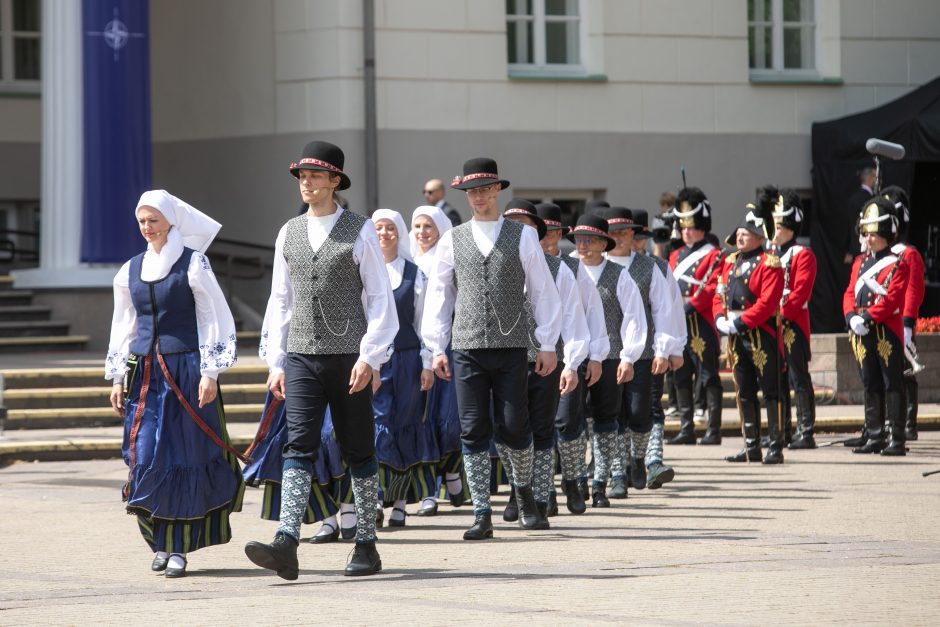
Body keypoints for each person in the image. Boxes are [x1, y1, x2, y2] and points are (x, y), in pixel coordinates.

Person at [244, 140, 398, 579]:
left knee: (357, 448)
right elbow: (280, 299)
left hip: (350, 356)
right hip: (302, 357)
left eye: (314, 176)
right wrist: (277, 361)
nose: (306, 183)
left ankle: (366, 542)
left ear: (335, 181)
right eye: (301, 177)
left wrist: (370, 357)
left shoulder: (359, 228)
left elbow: (379, 297)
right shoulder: (287, 232)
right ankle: (286, 541)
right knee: (298, 445)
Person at [422, 157, 562, 540]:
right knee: (472, 429)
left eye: (485, 189)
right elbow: (440, 294)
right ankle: (481, 510)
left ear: (498, 190)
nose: (479, 197)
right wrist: (435, 346)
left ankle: (524, 493)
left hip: (511, 344)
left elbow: (542, 292)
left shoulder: (522, 235)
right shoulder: (452, 237)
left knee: (515, 425)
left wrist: (547, 343)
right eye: (472, 191)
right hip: (467, 345)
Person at [107, 190, 242, 579]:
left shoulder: (193, 264)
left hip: (185, 372)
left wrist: (210, 372)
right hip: (144, 376)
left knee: (185, 456)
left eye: (153, 220)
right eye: (142, 221)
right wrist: (118, 377)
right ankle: (159, 541)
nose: (147, 228)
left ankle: (179, 547)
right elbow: (124, 325)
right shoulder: (130, 269)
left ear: (170, 222)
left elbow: (214, 317)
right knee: (146, 455)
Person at [499, 199, 589, 526]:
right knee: (506, 428)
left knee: (541, 428)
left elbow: (574, 319)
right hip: (503, 359)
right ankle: (516, 490)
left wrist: (572, 362)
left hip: (545, 360)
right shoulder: (494, 262)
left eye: (526, 227)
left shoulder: (558, 269)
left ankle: (538, 497)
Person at [603, 207, 685, 498]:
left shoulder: (650, 267)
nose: (619, 238)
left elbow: (666, 310)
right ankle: (616, 474)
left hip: (645, 352)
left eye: (624, 233)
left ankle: (639, 458)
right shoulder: (590, 265)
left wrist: (668, 348)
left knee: (640, 412)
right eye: (612, 233)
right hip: (607, 352)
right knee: (611, 414)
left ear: (633, 235)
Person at [567, 214, 647, 507]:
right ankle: (576, 478)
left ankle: (601, 481)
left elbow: (634, 317)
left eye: (590, 240)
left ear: (603, 243)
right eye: (579, 239)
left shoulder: (618, 274)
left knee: (606, 418)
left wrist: (628, 356)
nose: (584, 245)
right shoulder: (568, 270)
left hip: (611, 355)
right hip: (573, 357)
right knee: (572, 419)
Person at [536, 202, 608, 513]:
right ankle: (545, 491)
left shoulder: (573, 268)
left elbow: (592, 315)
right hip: (534, 356)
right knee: (541, 426)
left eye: (554, 231)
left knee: (567, 422)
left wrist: (594, 357)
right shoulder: (524, 265)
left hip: (569, 355)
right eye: (544, 231)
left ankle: (574, 482)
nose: (548, 237)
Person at [371, 209, 438, 527]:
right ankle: (375, 498)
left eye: (389, 228)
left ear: (399, 233)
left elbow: (423, 321)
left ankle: (399, 502)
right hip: (374, 361)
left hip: (408, 359)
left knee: (406, 424)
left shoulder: (415, 274)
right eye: (378, 228)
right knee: (376, 425)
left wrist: (427, 362)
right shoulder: (364, 272)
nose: (384, 233)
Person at [714, 208, 785, 464]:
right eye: (739, 234)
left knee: (770, 391)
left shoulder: (770, 264)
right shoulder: (731, 262)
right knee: (743, 390)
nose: (740, 238)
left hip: (760, 333)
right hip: (734, 332)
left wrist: (740, 322)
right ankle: (751, 445)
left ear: (757, 237)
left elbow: (767, 303)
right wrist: (719, 318)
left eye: (745, 234)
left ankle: (775, 445)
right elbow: (718, 294)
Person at [409, 205, 466, 515]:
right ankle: (429, 490)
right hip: (410, 355)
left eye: (428, 226)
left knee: (446, 422)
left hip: (446, 350)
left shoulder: (448, 262)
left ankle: (452, 472)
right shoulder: (405, 262)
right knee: (420, 421)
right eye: (417, 226)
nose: (422, 232)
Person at [842, 197, 909, 456]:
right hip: (861, 328)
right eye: (866, 233)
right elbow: (849, 293)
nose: (868, 239)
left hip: (884, 330)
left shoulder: (897, 263)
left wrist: (867, 317)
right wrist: (851, 317)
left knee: (892, 381)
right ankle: (875, 433)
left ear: (884, 234)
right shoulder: (860, 263)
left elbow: (892, 299)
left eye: (873, 234)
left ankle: (897, 437)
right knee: (869, 381)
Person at [629, 209, 683, 488]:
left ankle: (653, 460)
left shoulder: (658, 267)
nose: (636, 243)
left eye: (640, 238)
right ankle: (622, 461)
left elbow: (671, 310)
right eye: (632, 237)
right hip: (618, 350)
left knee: (651, 404)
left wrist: (674, 348)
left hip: (652, 349)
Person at [667, 187, 723, 445]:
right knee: (680, 375)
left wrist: (688, 306)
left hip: (701, 322)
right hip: (679, 324)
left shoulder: (714, 255)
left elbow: (713, 287)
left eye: (692, 226)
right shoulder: (675, 255)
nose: (686, 231)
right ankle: (687, 428)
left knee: (708, 375)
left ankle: (713, 429)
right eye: (684, 226)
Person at [767, 188, 818, 449]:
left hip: (792, 323)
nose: (773, 229)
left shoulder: (803, 255)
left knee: (798, 376)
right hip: (772, 322)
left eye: (777, 225)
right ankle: (782, 429)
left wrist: (781, 316)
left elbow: (800, 293)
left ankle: (805, 429)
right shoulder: (770, 255)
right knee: (776, 378)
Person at [882, 186, 925, 441]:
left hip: (901, 321)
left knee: (906, 372)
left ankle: (908, 423)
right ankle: (890, 420)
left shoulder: (908, 253)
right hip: (884, 319)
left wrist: (908, 323)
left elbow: (913, 291)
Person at [843, 166, 876, 263]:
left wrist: (848, 250)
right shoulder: (870, 200)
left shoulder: (853, 199)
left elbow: (847, 226)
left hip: (854, 248)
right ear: (870, 178)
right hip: (868, 247)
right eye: (875, 177)